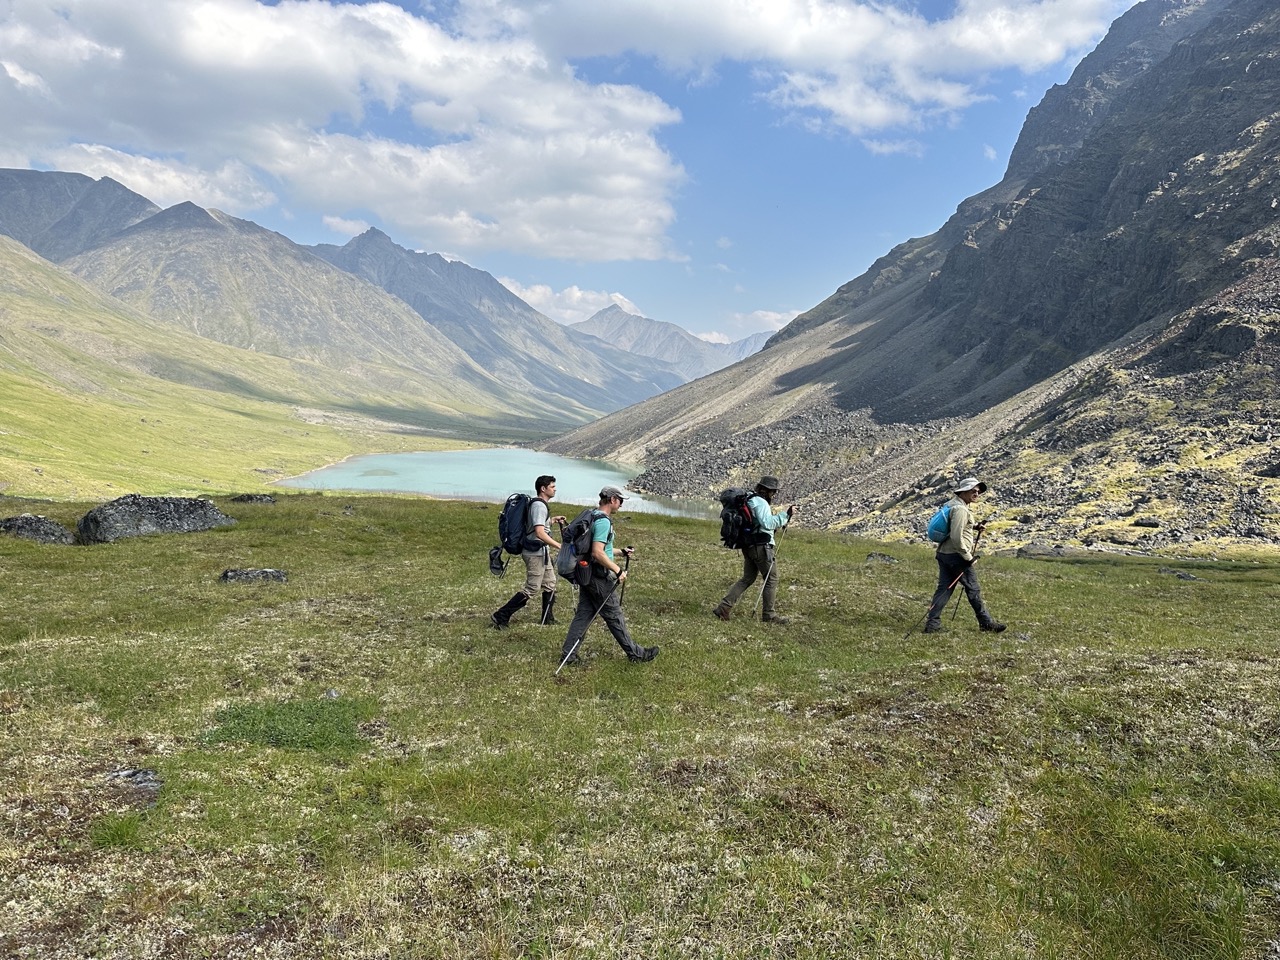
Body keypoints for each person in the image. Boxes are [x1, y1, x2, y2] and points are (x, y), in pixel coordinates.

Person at [559, 486, 658, 666]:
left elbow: (598, 548)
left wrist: (621, 552)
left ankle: (569, 655)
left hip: (587, 573)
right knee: (614, 614)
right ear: (612, 500)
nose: (621, 505)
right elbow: (597, 553)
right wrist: (618, 570)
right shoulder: (604, 521)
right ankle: (635, 653)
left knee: (583, 614)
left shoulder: (592, 515)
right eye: (620, 501)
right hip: (598, 576)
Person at [924, 477, 1006, 634]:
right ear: (963, 492)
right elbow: (956, 536)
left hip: (944, 553)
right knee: (973, 588)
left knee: (944, 589)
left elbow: (955, 526)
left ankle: (932, 624)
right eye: (973, 491)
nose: (976, 494)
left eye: (978, 491)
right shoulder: (961, 510)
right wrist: (968, 557)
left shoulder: (952, 505)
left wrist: (974, 526)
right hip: (957, 557)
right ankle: (986, 623)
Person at [713, 475, 795, 624]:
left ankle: (724, 607)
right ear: (768, 491)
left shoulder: (750, 499)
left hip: (748, 546)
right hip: (761, 547)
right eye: (773, 492)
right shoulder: (761, 502)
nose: (774, 495)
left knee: (747, 578)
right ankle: (769, 615)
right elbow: (767, 523)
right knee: (771, 578)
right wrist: (785, 516)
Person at [491, 475, 567, 629]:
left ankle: (547, 617)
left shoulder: (539, 504)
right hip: (535, 553)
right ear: (543, 489)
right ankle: (501, 615)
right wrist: (559, 545)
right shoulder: (539, 506)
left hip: (541, 552)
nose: (555, 489)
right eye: (552, 487)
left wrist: (553, 520)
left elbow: (537, 526)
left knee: (550, 583)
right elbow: (539, 532)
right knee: (532, 587)